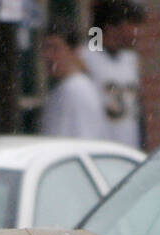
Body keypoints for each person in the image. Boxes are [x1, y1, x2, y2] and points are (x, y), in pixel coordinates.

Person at [81, 0, 144, 148]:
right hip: (100, 146)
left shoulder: (131, 60)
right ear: (112, 27)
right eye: (131, 25)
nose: (136, 31)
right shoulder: (86, 57)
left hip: (128, 147)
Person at [41, 27, 110, 139]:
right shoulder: (63, 88)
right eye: (45, 49)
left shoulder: (77, 90)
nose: (48, 56)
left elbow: (84, 139)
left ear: (74, 51)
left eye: (55, 48)